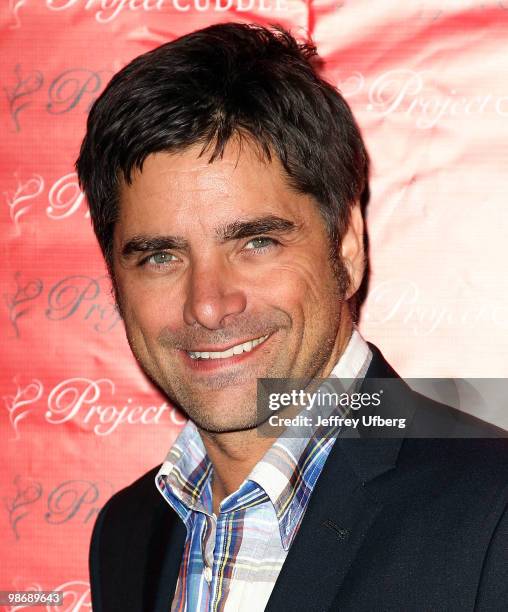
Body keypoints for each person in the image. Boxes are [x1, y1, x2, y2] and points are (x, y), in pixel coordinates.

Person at [76, 22, 508, 612]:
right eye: (160, 256)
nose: (207, 303)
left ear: (347, 246)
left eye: (256, 243)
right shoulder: (126, 534)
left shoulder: (495, 510)